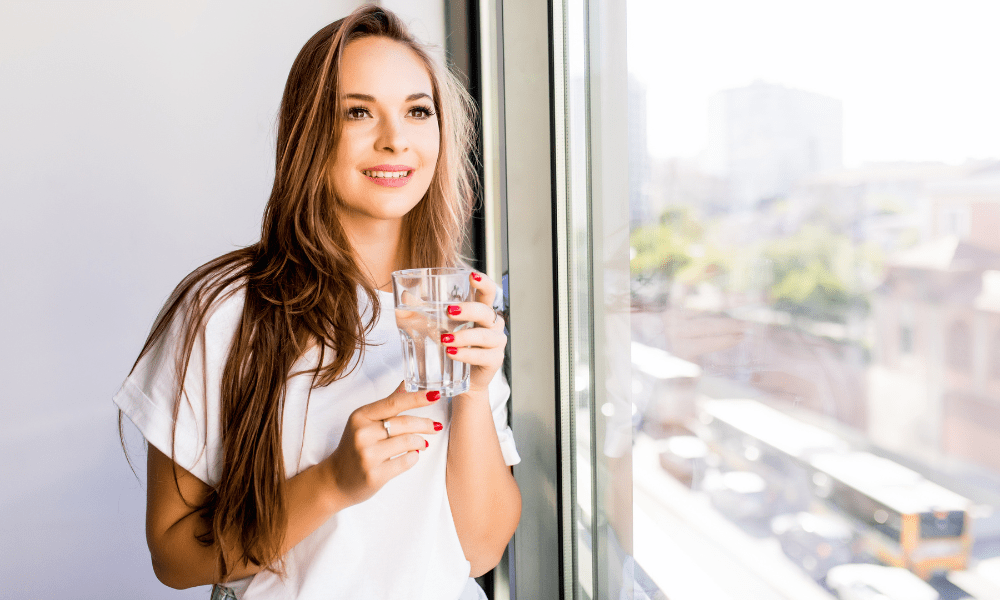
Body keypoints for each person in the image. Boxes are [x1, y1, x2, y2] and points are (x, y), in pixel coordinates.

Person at [114, 6, 521, 599]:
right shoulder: (225, 310)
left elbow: (480, 550)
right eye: (358, 111)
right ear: (309, 132)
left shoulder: (454, 303)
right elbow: (175, 557)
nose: (395, 139)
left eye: (417, 111)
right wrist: (332, 482)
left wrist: (477, 394)